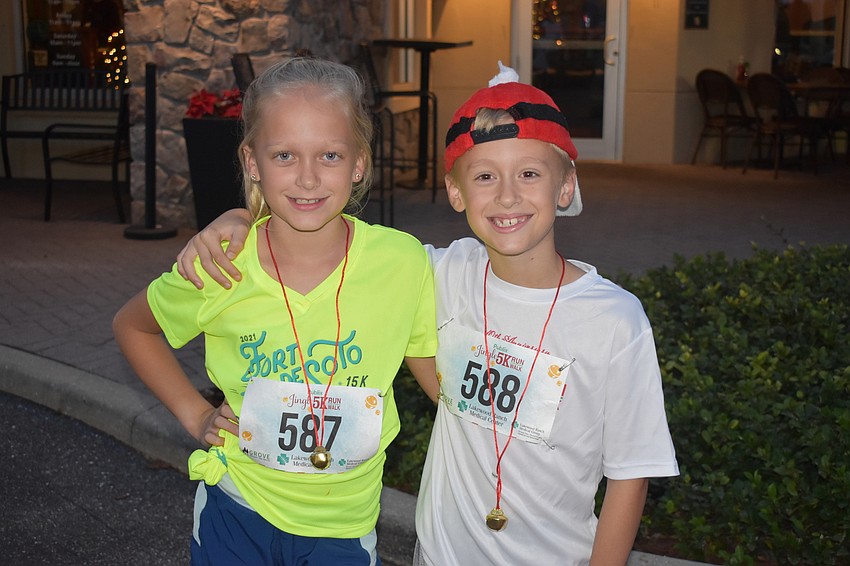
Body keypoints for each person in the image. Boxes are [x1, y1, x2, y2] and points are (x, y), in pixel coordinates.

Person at [177, 62, 679, 565]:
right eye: (485, 176)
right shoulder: (440, 270)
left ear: (566, 186)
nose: (507, 195)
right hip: (441, 553)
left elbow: (630, 474)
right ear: (456, 192)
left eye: (529, 173)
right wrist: (240, 217)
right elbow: (327, 244)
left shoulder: (615, 320)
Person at [113, 56, 438, 565]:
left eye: (329, 155)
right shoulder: (222, 261)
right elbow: (133, 326)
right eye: (284, 155)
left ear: (359, 164)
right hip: (235, 510)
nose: (307, 178)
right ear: (251, 162)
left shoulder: (403, 262)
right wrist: (195, 415)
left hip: (344, 526)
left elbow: (432, 369)